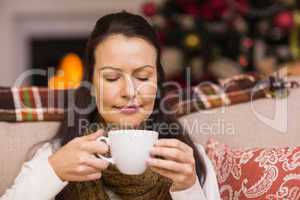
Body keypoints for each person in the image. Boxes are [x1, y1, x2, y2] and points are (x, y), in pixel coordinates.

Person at [1, 11, 220, 200]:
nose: (129, 92)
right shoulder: (58, 154)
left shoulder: (189, 161)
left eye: (143, 77)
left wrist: (188, 189)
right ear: (92, 86)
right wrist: (53, 172)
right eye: (113, 78)